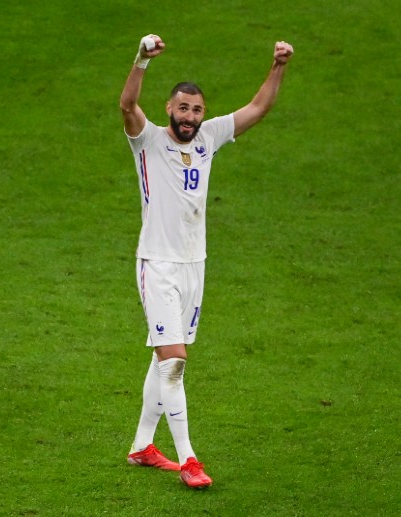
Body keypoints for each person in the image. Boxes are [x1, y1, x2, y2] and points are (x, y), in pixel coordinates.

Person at [120, 34, 294, 489]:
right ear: (168, 110)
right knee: (173, 361)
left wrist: (278, 66)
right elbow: (126, 105)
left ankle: (142, 445)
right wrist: (141, 60)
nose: (190, 117)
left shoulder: (209, 137)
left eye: (196, 110)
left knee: (165, 356)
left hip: (194, 266)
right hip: (157, 263)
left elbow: (258, 109)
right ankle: (189, 459)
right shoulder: (148, 142)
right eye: (182, 109)